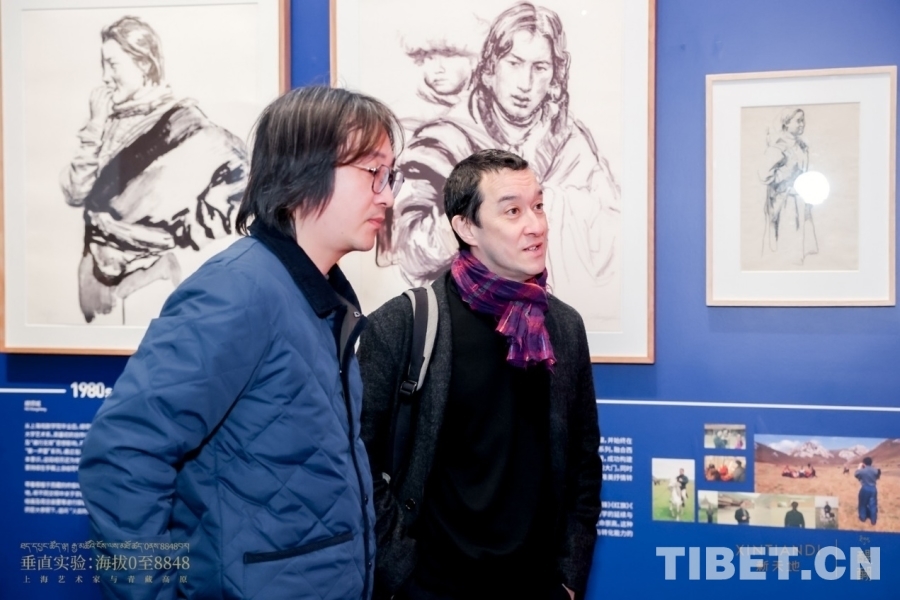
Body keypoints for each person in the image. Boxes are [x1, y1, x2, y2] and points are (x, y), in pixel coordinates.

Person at [78, 86, 405, 600]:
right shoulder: (238, 290)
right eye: (373, 172)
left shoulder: (321, 298)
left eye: (391, 175)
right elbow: (122, 454)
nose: (387, 195)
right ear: (304, 171)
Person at [359, 149, 600, 600]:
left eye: (538, 206)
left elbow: (583, 463)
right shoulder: (403, 325)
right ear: (466, 227)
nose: (536, 225)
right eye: (512, 211)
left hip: (537, 588)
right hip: (434, 588)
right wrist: (403, 576)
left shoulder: (562, 327)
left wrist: (568, 577)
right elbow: (360, 463)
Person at [383, 2, 620, 325]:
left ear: (555, 76)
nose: (525, 83)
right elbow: (408, 249)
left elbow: (609, 234)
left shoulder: (572, 142)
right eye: (514, 63)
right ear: (490, 67)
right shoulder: (443, 140)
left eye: (540, 67)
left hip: (541, 319)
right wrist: (474, 218)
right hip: (459, 323)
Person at [61, 16, 249, 325]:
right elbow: (75, 193)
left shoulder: (193, 129)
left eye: (113, 65)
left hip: (152, 285)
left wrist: (163, 239)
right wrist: (94, 128)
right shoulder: (105, 121)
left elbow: (233, 203)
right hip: (93, 279)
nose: (105, 77)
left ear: (144, 65)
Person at [761, 107, 817, 263]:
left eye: (803, 120)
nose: (802, 124)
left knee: (803, 250)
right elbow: (764, 175)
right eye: (798, 121)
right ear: (786, 122)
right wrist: (784, 175)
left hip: (800, 202)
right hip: (785, 205)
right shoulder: (778, 148)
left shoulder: (802, 146)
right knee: (786, 252)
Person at [855, 456, 881, 525]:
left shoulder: (862, 470)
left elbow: (856, 474)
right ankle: (873, 520)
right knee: (873, 504)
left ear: (864, 463)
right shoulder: (875, 470)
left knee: (863, 504)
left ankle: (862, 517)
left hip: (865, 488)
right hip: (873, 488)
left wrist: (859, 467)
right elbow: (878, 476)